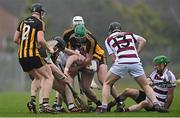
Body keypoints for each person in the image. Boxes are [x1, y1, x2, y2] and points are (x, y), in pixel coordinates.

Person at [96, 22, 164, 112]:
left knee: (107, 83)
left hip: (121, 62)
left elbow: (113, 58)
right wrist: (136, 53)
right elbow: (143, 40)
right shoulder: (130, 34)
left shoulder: (108, 39)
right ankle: (156, 104)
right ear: (120, 29)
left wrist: (118, 67)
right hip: (135, 61)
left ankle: (104, 107)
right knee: (145, 85)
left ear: (110, 31)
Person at [62, 16, 121, 109]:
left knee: (104, 81)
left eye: (82, 39)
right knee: (85, 88)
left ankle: (119, 102)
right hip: (85, 59)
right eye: (78, 39)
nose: (80, 41)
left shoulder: (91, 39)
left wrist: (77, 68)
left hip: (98, 57)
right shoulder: (68, 36)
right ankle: (98, 104)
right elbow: (69, 52)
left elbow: (89, 59)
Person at [13, 3, 56, 113]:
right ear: (40, 12)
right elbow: (41, 40)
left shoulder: (23, 22)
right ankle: (45, 105)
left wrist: (24, 46)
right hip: (33, 55)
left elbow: (15, 39)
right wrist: (49, 49)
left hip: (22, 56)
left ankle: (32, 102)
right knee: (49, 77)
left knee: (38, 77)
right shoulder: (40, 23)